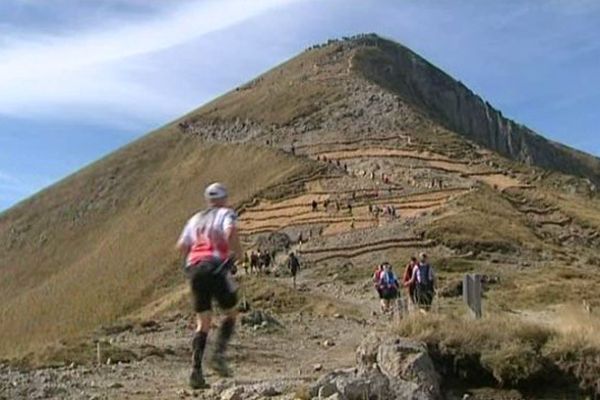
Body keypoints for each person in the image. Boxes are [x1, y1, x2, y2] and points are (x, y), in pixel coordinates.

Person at [176, 182, 243, 389]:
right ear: (223, 199)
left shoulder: (194, 219)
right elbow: (230, 233)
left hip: (195, 269)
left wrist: (188, 265)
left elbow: (181, 246)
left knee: (202, 322)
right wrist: (236, 254)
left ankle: (196, 371)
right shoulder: (226, 213)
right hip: (216, 266)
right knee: (231, 312)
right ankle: (219, 355)